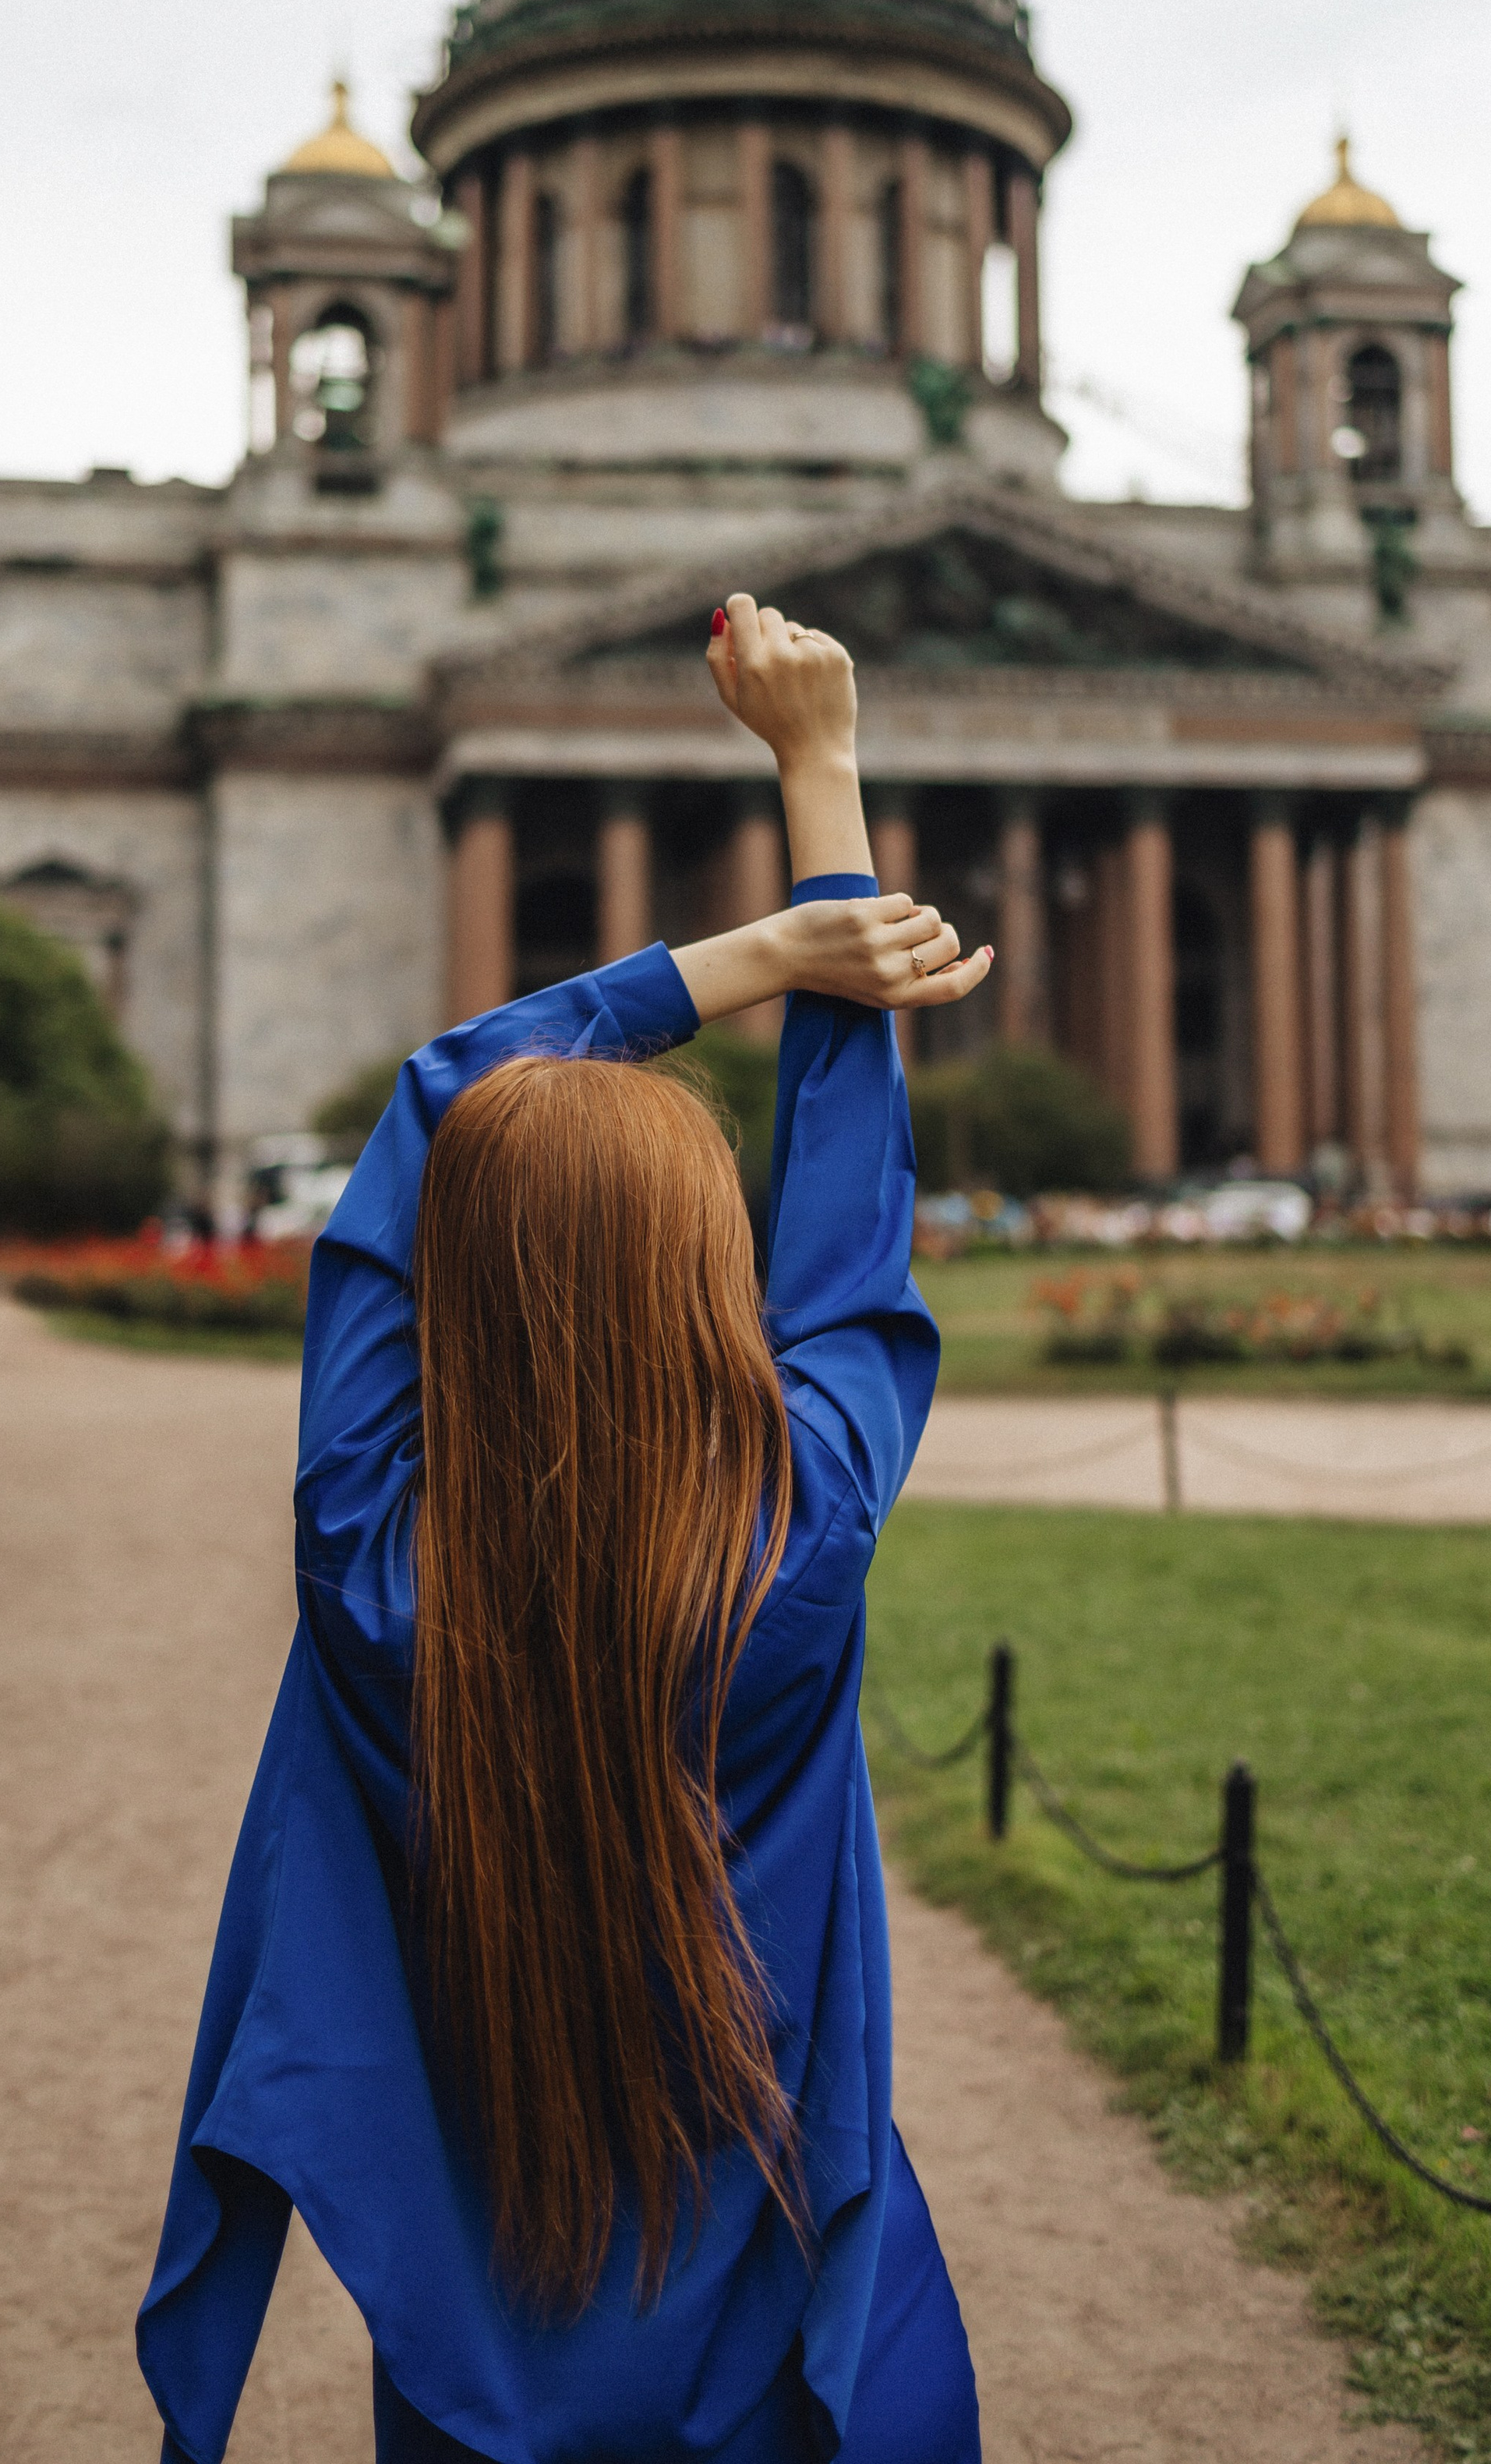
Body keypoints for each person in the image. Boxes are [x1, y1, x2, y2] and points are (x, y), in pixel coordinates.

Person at [138, 596, 994, 2463]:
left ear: (455, 1291)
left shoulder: (375, 1571)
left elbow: (433, 1103)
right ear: (712, 1283)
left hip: (481, 2358)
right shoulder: (799, 1532)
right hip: (772, 2334)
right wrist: (819, 778)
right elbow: (849, 1242)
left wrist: (743, 952)